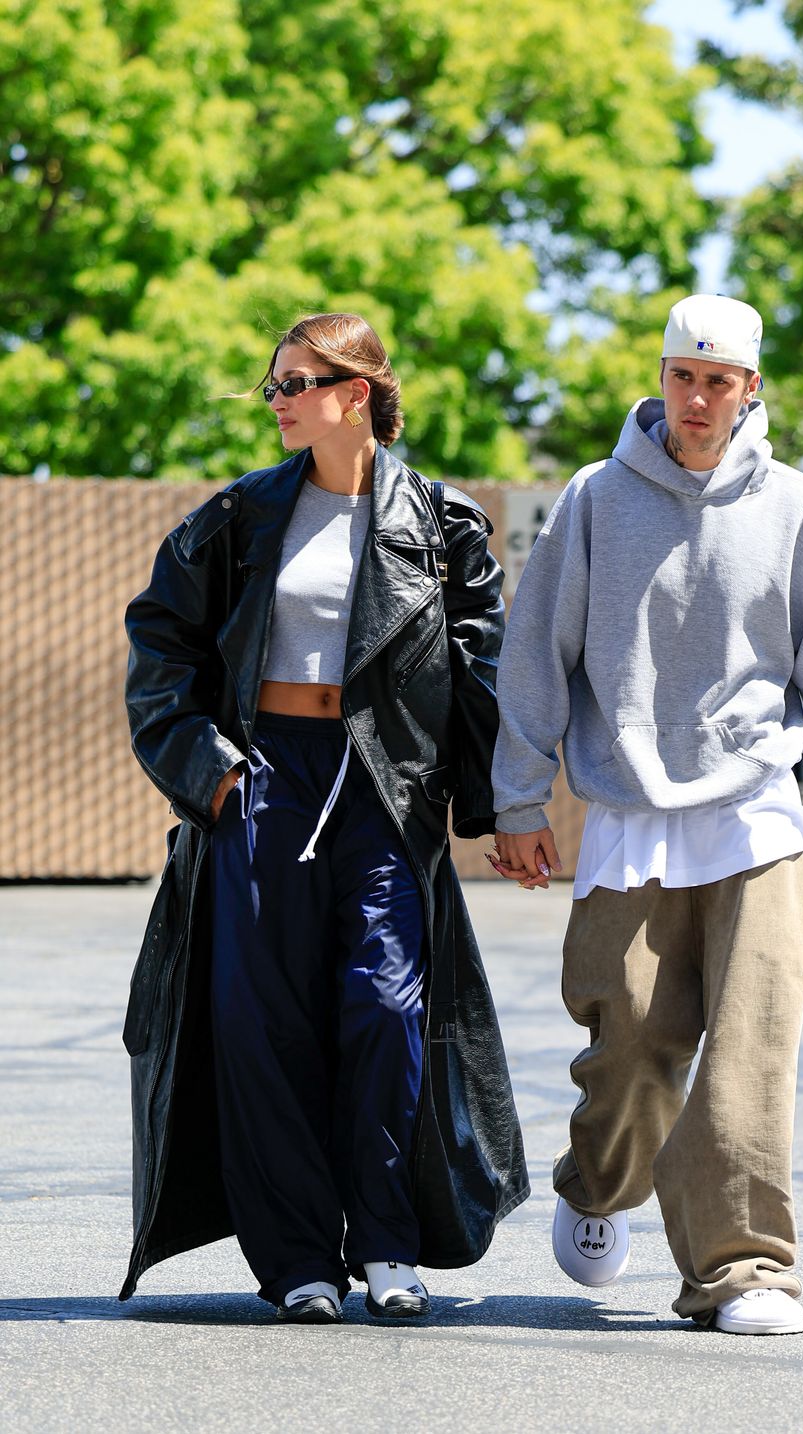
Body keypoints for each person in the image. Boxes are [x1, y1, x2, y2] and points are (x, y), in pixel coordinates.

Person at [488, 294, 803, 1335]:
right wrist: (518, 794)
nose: (698, 398)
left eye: (720, 381)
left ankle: (742, 1268)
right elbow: (536, 653)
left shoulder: (795, 507)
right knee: (627, 1037)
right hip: (628, 809)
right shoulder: (592, 499)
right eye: (682, 375)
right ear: (660, 378)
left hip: (756, 810)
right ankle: (599, 1182)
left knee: (753, 1043)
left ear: (752, 391)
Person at [121, 312, 528, 1323]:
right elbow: (159, 644)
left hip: (381, 783)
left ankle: (387, 1241)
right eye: (274, 384)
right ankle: (298, 1256)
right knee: (261, 1023)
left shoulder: (440, 521)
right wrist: (210, 774)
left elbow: (483, 671)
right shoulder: (241, 516)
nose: (279, 401)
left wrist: (488, 808)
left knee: (385, 1012)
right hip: (262, 778)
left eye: (298, 382)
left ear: (357, 391)